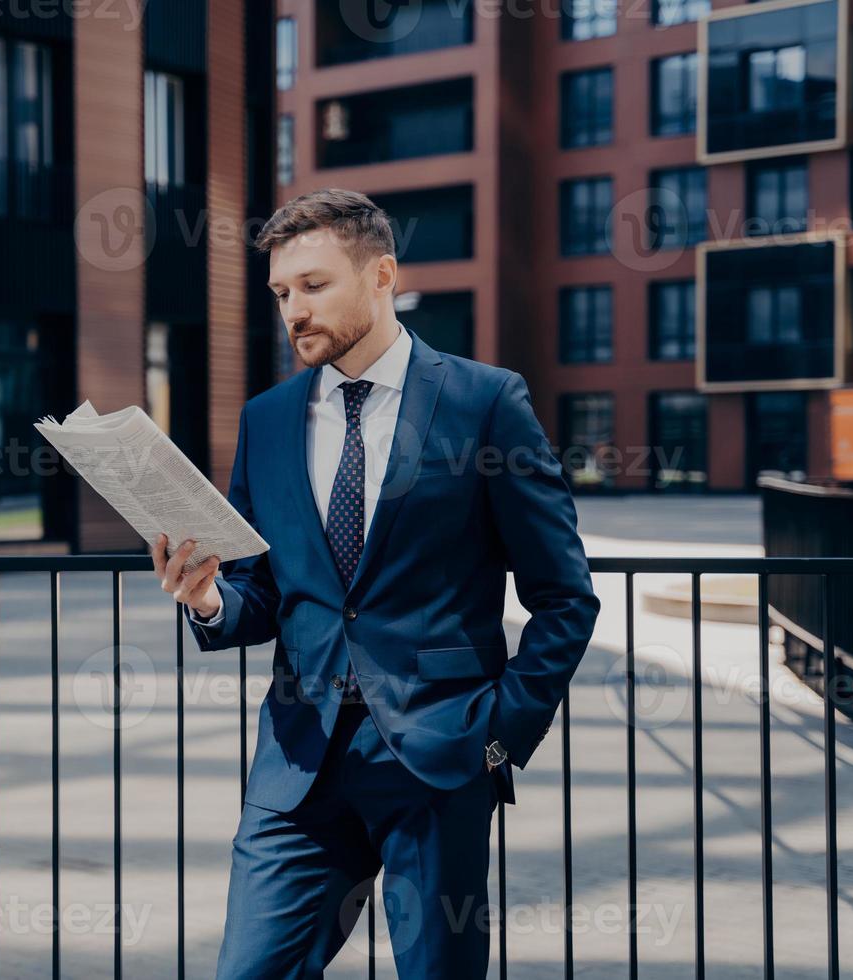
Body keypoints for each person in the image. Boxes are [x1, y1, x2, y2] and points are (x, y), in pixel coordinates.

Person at [150, 188, 600, 978]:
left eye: (314, 286)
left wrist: (500, 736)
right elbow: (263, 593)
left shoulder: (485, 402)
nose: (294, 310)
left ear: (382, 274)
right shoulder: (267, 419)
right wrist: (210, 598)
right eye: (282, 293)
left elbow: (565, 597)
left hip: (441, 756)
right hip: (298, 765)